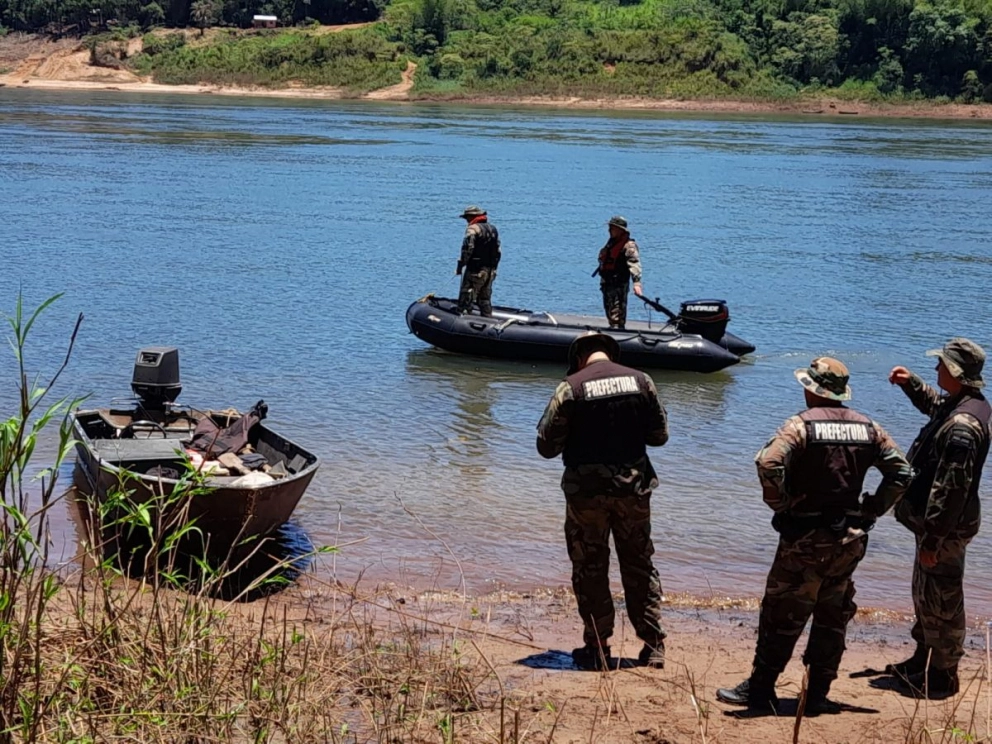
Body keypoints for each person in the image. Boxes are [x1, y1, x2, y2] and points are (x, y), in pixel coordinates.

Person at [716, 357, 912, 713]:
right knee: (832, 615)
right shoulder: (868, 427)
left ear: (812, 389)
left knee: (781, 613)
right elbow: (902, 472)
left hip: (804, 538)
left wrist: (781, 502)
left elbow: (768, 463)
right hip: (848, 540)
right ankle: (817, 693)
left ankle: (760, 691)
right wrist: (872, 509)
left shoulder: (800, 426)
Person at [536, 331, 669, 671]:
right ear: (610, 353)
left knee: (590, 566)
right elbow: (659, 437)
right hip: (634, 492)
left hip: (587, 496)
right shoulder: (642, 382)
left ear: (579, 357)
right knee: (639, 562)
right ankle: (653, 645)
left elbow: (546, 446)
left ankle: (598, 646)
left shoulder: (572, 388)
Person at [883, 338, 990, 699]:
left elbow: (951, 490)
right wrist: (910, 384)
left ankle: (943, 675)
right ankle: (922, 658)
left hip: (945, 528)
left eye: (941, 365)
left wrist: (933, 539)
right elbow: (935, 405)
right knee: (926, 593)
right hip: (935, 525)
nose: (936, 370)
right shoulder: (960, 405)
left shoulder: (964, 425)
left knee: (942, 598)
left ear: (956, 373)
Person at [595, 216, 643, 330]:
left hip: (619, 284)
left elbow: (634, 263)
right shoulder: (611, 243)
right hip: (607, 283)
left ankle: (618, 333)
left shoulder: (628, 246)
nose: (609, 230)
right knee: (609, 311)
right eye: (609, 227)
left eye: (612, 228)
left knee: (617, 314)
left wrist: (637, 283)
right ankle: (613, 329)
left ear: (620, 230)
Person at [455, 205, 500, 317]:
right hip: (490, 270)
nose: (467, 220)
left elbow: (467, 249)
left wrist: (460, 266)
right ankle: (487, 318)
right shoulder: (493, 229)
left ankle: (463, 320)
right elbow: (498, 251)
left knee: (467, 296)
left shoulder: (472, 229)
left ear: (472, 216)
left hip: (476, 270)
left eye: (467, 218)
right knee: (484, 298)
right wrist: (494, 268)